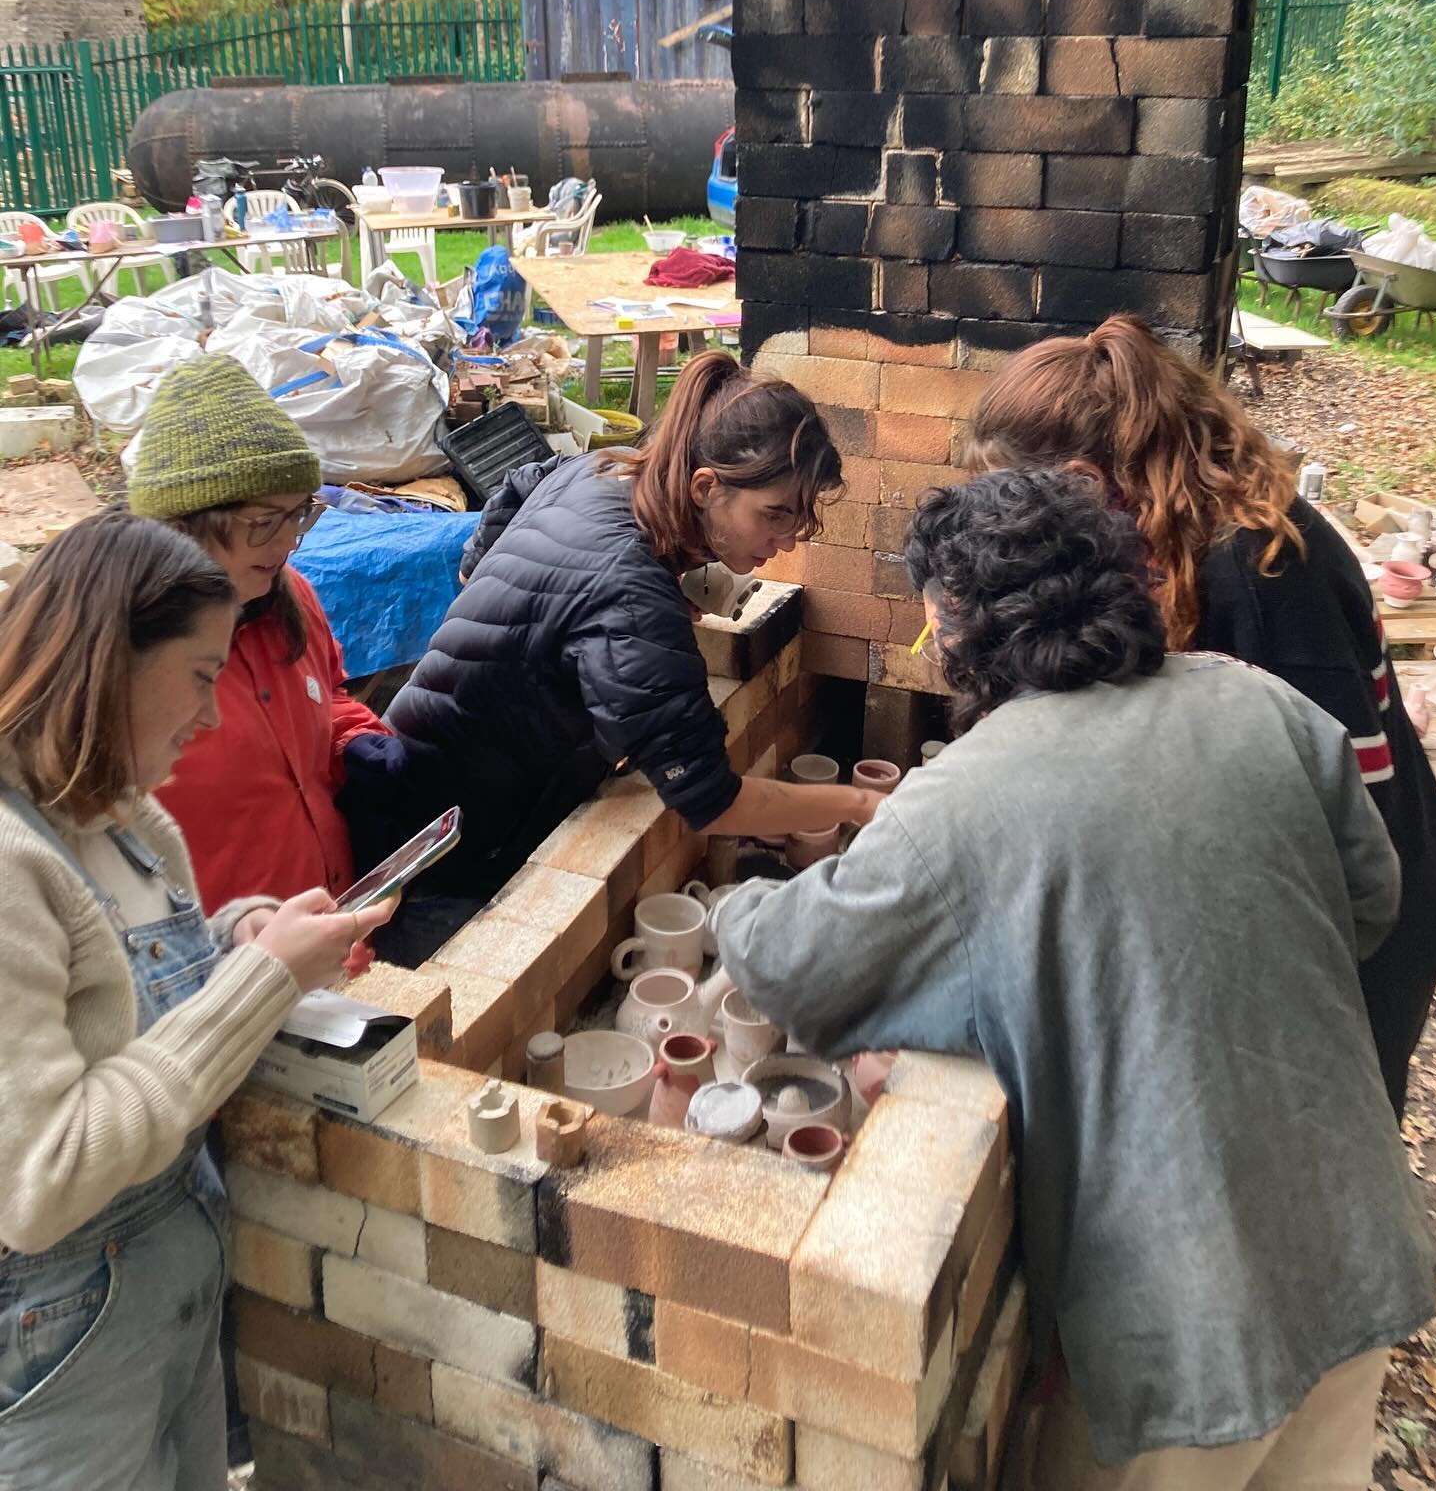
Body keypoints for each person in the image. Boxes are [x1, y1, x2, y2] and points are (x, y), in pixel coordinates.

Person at [718, 470, 1435, 1491]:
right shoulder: (1256, 698)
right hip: (1360, 1253)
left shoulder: (964, 801)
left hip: (1184, 1335)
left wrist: (741, 893)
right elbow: (1370, 901)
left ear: (957, 628)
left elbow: (786, 963)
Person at [959, 313, 1436, 1119]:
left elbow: (1331, 818)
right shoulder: (1174, 537)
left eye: (1017, 500)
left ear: (1081, 483)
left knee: (1310, 1148)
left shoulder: (1262, 571)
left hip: (1361, 924)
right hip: (1311, 898)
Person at [0, 510, 392, 1490]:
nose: (214, 718)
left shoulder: (122, 813)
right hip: (66, 1341)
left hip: (171, 1276)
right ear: (107, 663)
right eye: (205, 676)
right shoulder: (11, 867)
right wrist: (261, 985)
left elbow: (128, 995)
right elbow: (41, 1180)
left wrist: (240, 937)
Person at [342, 350, 880, 965]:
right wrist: (862, 804)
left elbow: (521, 483)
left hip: (418, 768)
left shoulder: (603, 471)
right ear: (706, 487)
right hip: (438, 846)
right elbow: (710, 800)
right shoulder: (630, 590)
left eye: (798, 520)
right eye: (774, 514)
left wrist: (481, 576)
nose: (784, 541)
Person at [126, 352, 390, 912]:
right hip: (221, 961)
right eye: (264, 521)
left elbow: (329, 698)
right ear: (183, 525)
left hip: (323, 924)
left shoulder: (290, 596)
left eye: (300, 514)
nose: (288, 541)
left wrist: (358, 742)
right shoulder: (126, 660)